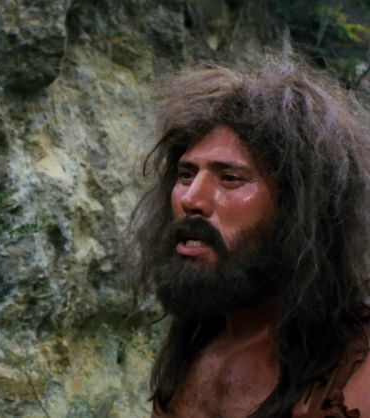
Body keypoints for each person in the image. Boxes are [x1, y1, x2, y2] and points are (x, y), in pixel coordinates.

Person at [133, 57, 370, 417]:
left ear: (298, 210)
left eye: (230, 178)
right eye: (186, 174)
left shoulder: (355, 363)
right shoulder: (197, 334)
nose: (191, 199)